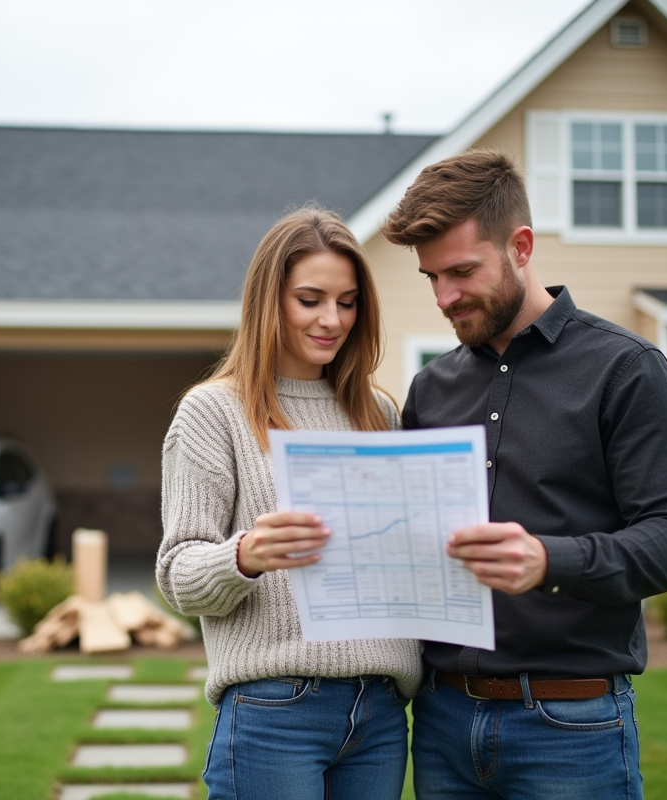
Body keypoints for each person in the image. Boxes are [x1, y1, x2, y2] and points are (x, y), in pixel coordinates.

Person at [378, 150, 667, 799]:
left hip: (571, 727)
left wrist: (548, 561)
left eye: (462, 272)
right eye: (430, 278)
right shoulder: (432, 388)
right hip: (442, 723)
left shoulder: (627, 369)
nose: (445, 297)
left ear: (521, 246)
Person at [157, 206, 422, 800]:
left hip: (380, 713)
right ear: (268, 301)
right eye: (311, 299)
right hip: (275, 711)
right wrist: (246, 554)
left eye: (348, 302)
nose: (333, 319)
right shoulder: (212, 411)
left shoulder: (379, 415)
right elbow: (177, 576)